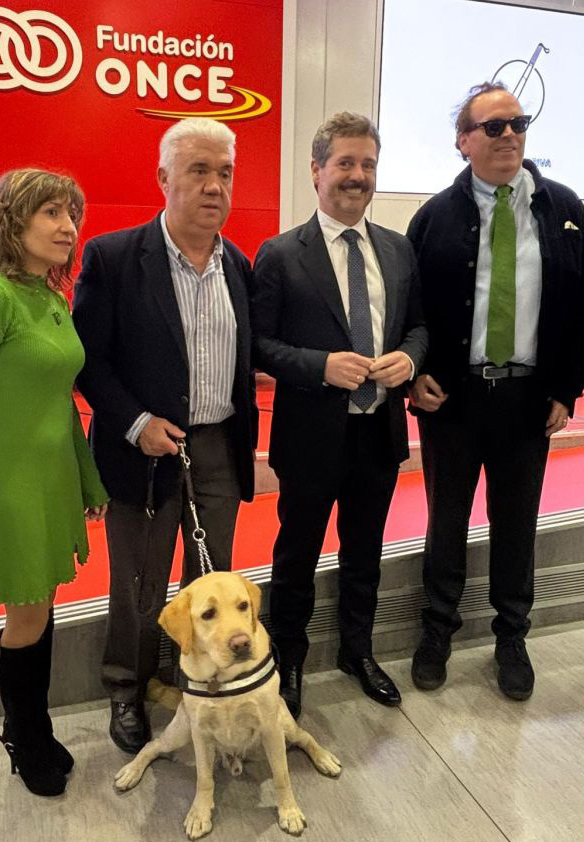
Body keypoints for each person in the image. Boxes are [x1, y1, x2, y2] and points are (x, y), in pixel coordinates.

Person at [405, 82, 584, 700]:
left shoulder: (564, 210)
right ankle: (437, 629)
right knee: (446, 523)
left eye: (518, 123)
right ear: (464, 142)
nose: (509, 134)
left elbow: (581, 309)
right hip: (455, 401)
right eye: (493, 126)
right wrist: (417, 373)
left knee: (517, 525)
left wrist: (568, 389)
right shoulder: (434, 217)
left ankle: (511, 636)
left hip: (527, 401)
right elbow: (414, 312)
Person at [72, 118, 258, 754]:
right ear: (164, 178)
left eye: (224, 173)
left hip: (218, 449)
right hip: (142, 449)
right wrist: (135, 422)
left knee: (213, 581)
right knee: (140, 582)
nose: (214, 186)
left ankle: (200, 683)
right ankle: (127, 686)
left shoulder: (239, 264)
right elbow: (88, 360)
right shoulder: (115, 258)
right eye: (199, 171)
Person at [0, 169, 109, 796]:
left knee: (42, 605)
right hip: (9, 482)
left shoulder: (52, 298)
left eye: (71, 215)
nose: (68, 227)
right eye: (52, 214)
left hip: (52, 475)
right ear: (15, 222)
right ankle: (23, 734)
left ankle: (33, 725)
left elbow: (61, 402)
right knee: (28, 612)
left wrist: (85, 479)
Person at [251, 112, 427, 717]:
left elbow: (421, 327)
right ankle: (289, 662)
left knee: (365, 552)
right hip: (310, 437)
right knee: (295, 554)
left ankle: (358, 651)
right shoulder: (278, 255)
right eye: (346, 163)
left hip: (378, 433)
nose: (358, 176)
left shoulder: (398, 250)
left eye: (368, 165)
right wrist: (319, 365)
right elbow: (259, 344)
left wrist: (408, 356)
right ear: (317, 170)